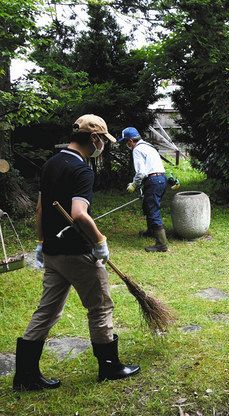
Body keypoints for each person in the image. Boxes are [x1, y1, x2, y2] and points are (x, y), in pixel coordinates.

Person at [14, 114, 140, 392]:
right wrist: (99, 241)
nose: (103, 146)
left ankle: (25, 375)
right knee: (100, 306)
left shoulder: (50, 164)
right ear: (94, 139)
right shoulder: (82, 171)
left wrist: (41, 241)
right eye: (102, 140)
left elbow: (40, 209)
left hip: (52, 253)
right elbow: (79, 214)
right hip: (77, 253)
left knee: (47, 310)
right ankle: (110, 367)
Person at [119, 127, 169, 252]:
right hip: (161, 179)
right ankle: (151, 231)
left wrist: (134, 184)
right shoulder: (148, 146)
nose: (127, 145)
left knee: (153, 210)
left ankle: (161, 244)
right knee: (148, 205)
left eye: (126, 142)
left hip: (153, 180)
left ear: (131, 141)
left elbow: (141, 172)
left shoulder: (137, 149)